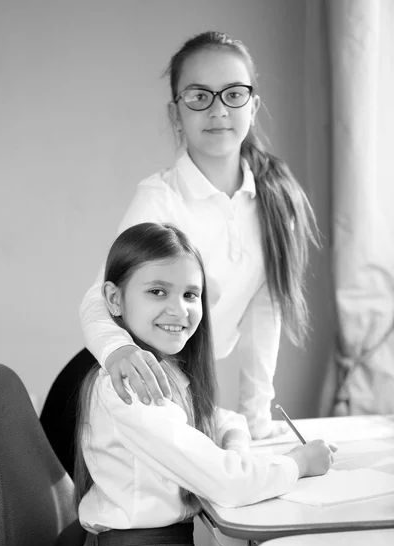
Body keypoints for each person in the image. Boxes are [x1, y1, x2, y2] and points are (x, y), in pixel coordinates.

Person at [58, 222, 336, 546]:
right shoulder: (133, 388)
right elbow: (229, 482)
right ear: (113, 299)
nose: (179, 309)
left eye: (191, 294)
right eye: (157, 291)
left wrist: (233, 447)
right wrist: (299, 462)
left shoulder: (165, 374)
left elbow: (223, 420)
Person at [80, 30, 319, 441]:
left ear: (253, 106)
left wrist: (257, 418)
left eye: (233, 93)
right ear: (176, 114)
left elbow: (265, 313)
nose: (217, 110)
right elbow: (99, 297)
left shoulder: (274, 202)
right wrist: (118, 351)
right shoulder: (159, 200)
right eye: (198, 96)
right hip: (119, 385)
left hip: (179, 391)